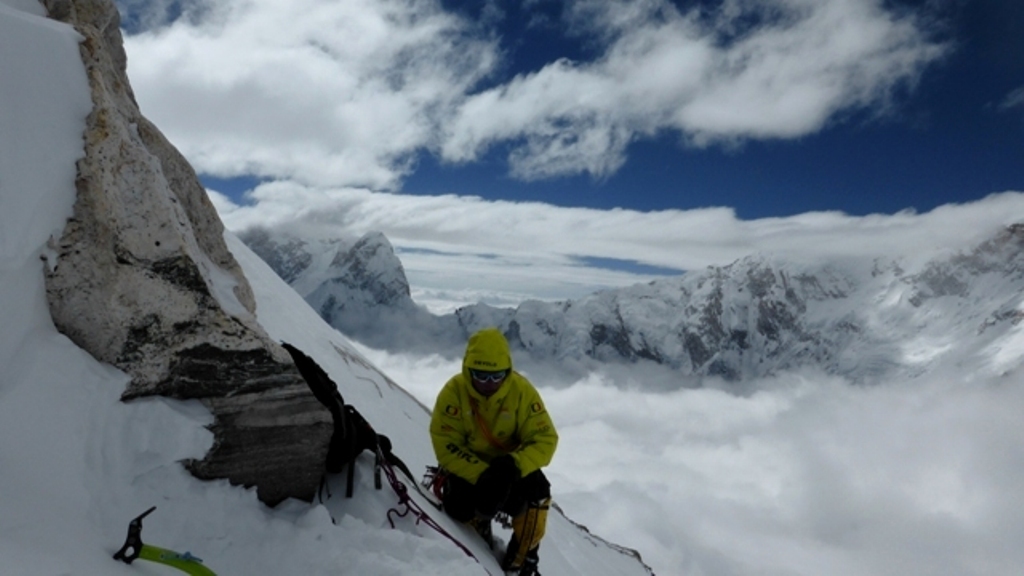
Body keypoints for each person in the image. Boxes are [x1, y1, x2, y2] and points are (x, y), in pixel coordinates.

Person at [430, 327, 558, 576]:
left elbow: (545, 438)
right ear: (468, 370)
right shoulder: (453, 393)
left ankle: (521, 559)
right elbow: (445, 442)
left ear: (507, 371)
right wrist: (483, 475)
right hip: (470, 471)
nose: (489, 384)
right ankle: (478, 530)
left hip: (511, 470)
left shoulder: (521, 392)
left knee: (538, 495)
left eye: (497, 376)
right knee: (458, 506)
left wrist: (513, 465)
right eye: (481, 376)